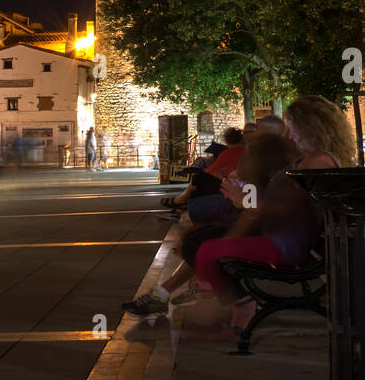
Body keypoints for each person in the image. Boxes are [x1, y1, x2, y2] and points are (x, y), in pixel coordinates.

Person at [193, 95, 356, 328]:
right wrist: (244, 197)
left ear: (311, 128)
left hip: (286, 244)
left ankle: (238, 306)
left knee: (207, 250)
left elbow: (284, 210)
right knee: (205, 245)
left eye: (293, 128)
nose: (290, 135)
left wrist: (245, 202)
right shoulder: (308, 158)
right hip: (282, 238)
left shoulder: (317, 163)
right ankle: (232, 306)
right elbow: (275, 201)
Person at [123, 131, 295, 316]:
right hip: (265, 231)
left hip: (273, 239)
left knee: (200, 244)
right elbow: (254, 209)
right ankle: (165, 294)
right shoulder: (272, 177)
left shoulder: (276, 179)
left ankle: (224, 302)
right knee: (195, 239)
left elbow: (256, 212)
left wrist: (238, 211)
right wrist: (241, 200)